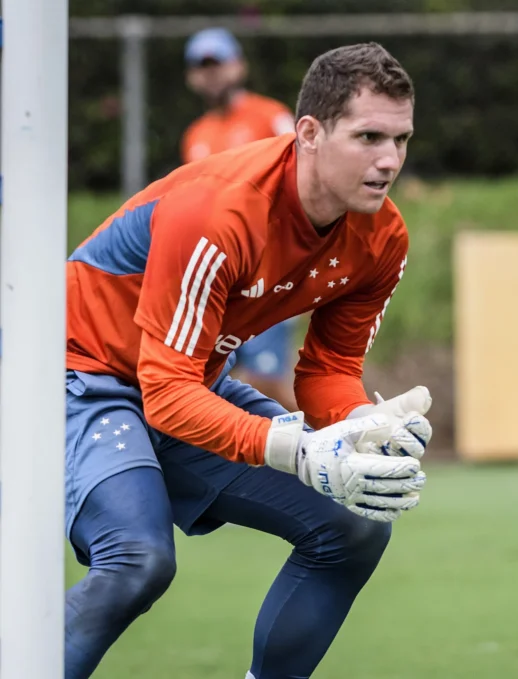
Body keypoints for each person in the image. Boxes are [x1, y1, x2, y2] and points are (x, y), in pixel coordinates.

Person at [65, 42, 432, 679]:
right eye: (368, 136)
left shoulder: (383, 235)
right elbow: (167, 393)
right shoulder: (219, 210)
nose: (389, 160)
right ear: (310, 134)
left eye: (400, 140)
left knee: (355, 528)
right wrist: (300, 450)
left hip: (181, 379)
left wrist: (360, 426)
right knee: (136, 559)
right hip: (79, 374)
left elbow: (327, 369)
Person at [181, 26, 299, 408]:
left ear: (238, 67)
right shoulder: (196, 135)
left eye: (218, 63)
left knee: (265, 380)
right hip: (220, 276)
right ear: (192, 76)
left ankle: (322, 448)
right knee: (221, 383)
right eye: (202, 65)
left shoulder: (271, 117)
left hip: (269, 269)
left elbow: (303, 176)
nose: (211, 72)